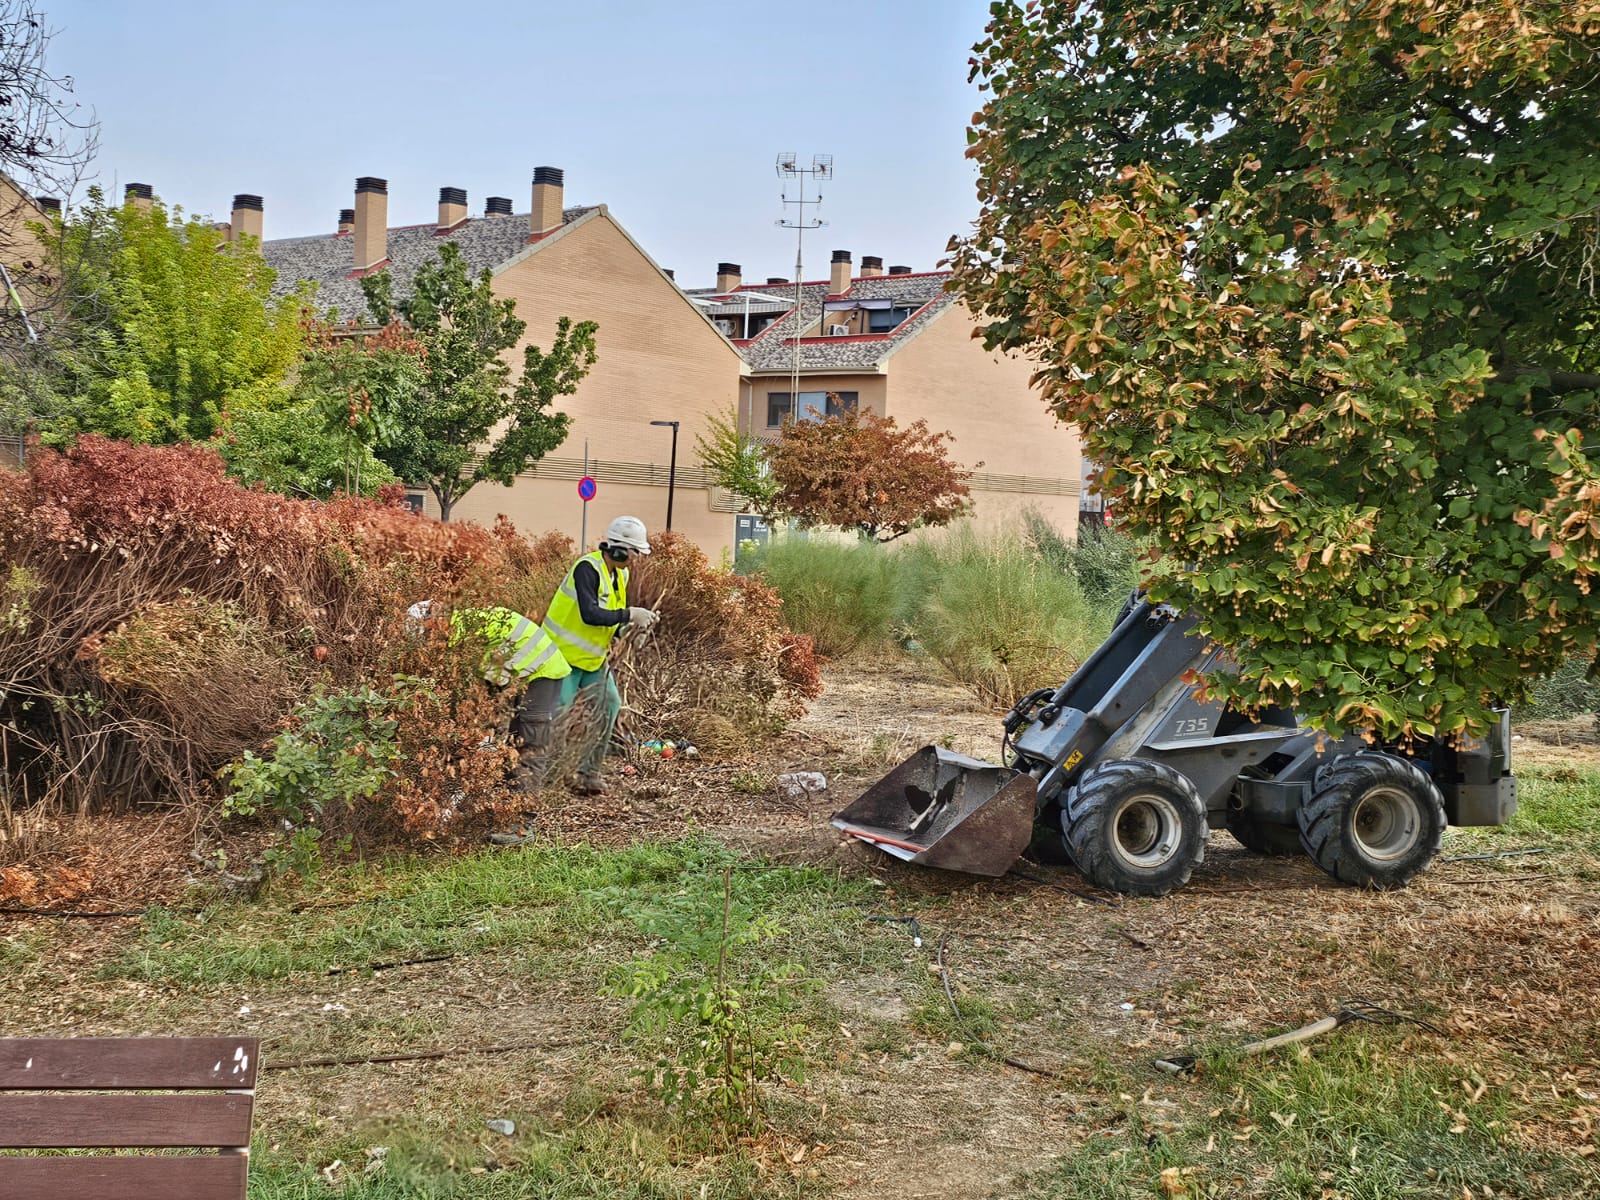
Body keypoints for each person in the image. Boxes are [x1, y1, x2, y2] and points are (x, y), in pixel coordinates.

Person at [536, 515, 660, 796]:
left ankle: (588, 774)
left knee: (609, 706)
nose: (636, 559)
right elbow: (590, 614)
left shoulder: (621, 575)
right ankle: (550, 778)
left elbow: (610, 618)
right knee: (557, 716)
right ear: (617, 549)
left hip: (592, 660)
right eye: (634, 552)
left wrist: (629, 629)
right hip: (561, 659)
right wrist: (630, 614)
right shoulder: (587, 569)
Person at [407, 599, 572, 800]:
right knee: (512, 739)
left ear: (434, 621)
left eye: (427, 635)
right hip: (520, 671)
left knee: (530, 744)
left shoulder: (463, 637)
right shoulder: (462, 624)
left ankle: (521, 825)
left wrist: (480, 736)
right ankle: (505, 810)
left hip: (542, 669)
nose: (429, 642)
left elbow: (473, 697)